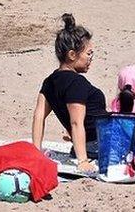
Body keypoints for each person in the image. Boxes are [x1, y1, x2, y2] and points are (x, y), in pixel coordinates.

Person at [32, 14, 106, 173]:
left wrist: (36, 150)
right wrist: (83, 161)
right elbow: (76, 123)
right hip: (99, 145)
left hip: (86, 144)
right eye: (88, 54)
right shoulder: (76, 83)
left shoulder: (50, 81)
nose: (91, 58)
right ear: (72, 55)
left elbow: (38, 116)